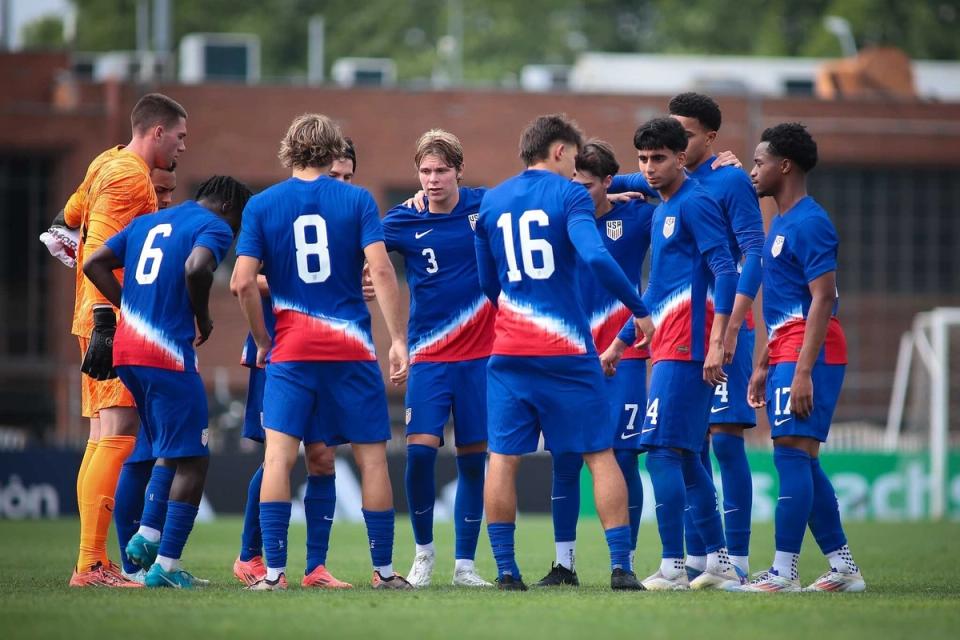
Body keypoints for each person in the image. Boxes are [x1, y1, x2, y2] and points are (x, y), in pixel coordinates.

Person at [475, 114, 655, 591]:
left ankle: (507, 572)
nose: (577, 170)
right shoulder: (570, 194)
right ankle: (621, 568)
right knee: (599, 454)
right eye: (574, 158)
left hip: (510, 351)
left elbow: (485, 283)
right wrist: (639, 309)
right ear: (558, 151)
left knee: (503, 459)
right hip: (568, 352)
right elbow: (596, 257)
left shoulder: (492, 200)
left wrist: (515, 312)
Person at [233, 114, 412, 590]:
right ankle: (385, 571)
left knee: (277, 460)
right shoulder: (357, 200)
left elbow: (242, 282)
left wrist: (266, 341)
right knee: (372, 459)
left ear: (289, 150)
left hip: (291, 351)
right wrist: (397, 339)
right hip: (351, 350)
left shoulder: (263, 205)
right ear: (334, 151)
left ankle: (272, 573)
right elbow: (383, 272)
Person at [610, 93, 764, 580]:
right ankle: (718, 562)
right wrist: (621, 340)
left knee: (662, 451)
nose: (649, 168)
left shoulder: (700, 199)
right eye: (644, 159)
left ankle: (676, 564)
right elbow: (656, 289)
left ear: (684, 153)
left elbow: (726, 267)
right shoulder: (665, 207)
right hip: (669, 342)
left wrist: (721, 339)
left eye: (659, 158)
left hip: (691, 344)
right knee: (690, 453)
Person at [83, 175, 252, 588]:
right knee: (195, 457)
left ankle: (145, 540)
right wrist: (204, 316)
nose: (235, 233)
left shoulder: (148, 222)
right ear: (228, 207)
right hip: (166, 354)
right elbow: (196, 268)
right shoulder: (212, 225)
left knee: (165, 450)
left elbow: (93, 263)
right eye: (239, 223)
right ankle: (167, 567)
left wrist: (132, 307)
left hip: (125, 351)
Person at [65, 93, 187, 587]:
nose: (183, 145)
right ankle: (92, 564)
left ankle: (92, 560)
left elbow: (69, 219)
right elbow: (95, 247)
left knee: (101, 437)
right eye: (180, 136)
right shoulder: (129, 174)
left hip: (91, 317)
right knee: (116, 434)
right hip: (107, 322)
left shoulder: (104, 162)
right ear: (157, 131)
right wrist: (109, 318)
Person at [740, 123, 864, 593]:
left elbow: (822, 299)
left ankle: (783, 572)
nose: (754, 171)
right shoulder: (783, 223)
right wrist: (764, 363)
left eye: (759, 162)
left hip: (811, 353)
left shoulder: (810, 222)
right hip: (787, 352)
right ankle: (843, 568)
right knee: (801, 460)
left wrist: (804, 371)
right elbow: (784, 305)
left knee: (791, 454)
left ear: (783, 165)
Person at [232, 138, 358, 590]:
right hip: (279, 348)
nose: (338, 183)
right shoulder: (280, 209)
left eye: (346, 177)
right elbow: (248, 277)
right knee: (276, 458)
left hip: (329, 353)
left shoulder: (346, 216)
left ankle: (316, 568)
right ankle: (251, 556)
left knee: (323, 458)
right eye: (334, 174)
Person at [536, 140, 654, 587]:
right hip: (570, 356)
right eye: (572, 183)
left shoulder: (637, 215)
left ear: (607, 182)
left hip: (625, 355)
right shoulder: (560, 220)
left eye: (586, 185)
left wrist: (621, 186)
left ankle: (625, 564)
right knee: (565, 460)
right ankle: (564, 565)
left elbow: (678, 186)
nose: (576, 192)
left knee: (623, 459)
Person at [381, 129, 493, 588]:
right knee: (420, 454)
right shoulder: (401, 220)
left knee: (473, 460)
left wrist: (624, 186)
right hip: (428, 356)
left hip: (482, 357)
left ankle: (465, 565)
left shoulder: (486, 205)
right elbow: (361, 252)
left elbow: (544, 195)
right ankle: (423, 554)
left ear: (459, 170)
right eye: (425, 171)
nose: (432, 179)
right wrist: (370, 279)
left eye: (441, 170)